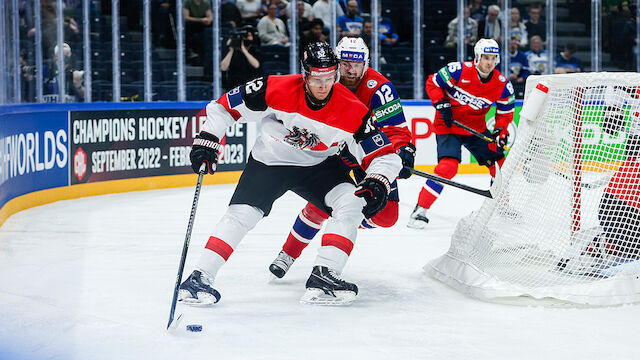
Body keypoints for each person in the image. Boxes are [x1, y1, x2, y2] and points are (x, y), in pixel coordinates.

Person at [178, 42, 402, 306]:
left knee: (352, 202)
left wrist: (378, 179)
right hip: (270, 161)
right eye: (317, 78)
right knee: (242, 215)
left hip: (319, 166)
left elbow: (384, 154)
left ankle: (325, 274)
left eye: (330, 78)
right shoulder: (274, 87)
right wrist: (208, 137)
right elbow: (223, 107)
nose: (323, 85)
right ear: (305, 74)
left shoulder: (353, 109)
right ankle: (200, 277)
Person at [268, 37, 415, 279]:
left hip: (368, 154)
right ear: (336, 62)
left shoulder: (379, 87)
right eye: (345, 63)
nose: (350, 69)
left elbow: (395, 129)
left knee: (387, 217)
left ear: (366, 63)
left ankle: (342, 218)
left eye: (357, 64)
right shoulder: (322, 81)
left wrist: (401, 152)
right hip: (332, 154)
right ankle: (288, 254)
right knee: (320, 205)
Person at [408, 38, 515, 229]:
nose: (489, 62)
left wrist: (500, 130)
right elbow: (432, 83)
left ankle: (502, 206)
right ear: (477, 57)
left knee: (500, 165)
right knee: (447, 167)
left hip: (476, 128)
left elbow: (505, 113)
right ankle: (419, 210)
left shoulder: (502, 84)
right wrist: (441, 103)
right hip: (448, 125)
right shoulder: (457, 70)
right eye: (486, 57)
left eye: (493, 58)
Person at [221, 25, 261, 91]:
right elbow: (223, 68)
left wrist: (244, 50)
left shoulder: (255, 51)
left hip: (250, 87)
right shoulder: (232, 51)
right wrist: (231, 50)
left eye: (249, 36)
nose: (246, 38)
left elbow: (256, 65)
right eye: (245, 36)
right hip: (234, 87)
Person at [183, 0, 213, 65]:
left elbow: (210, 17)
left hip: (202, 26)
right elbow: (186, 17)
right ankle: (190, 53)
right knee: (189, 29)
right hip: (191, 25)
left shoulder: (206, 3)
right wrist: (200, 20)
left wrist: (208, 20)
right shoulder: (188, 2)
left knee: (207, 31)